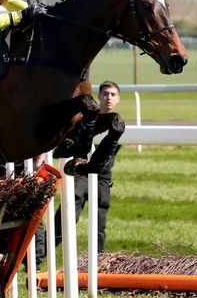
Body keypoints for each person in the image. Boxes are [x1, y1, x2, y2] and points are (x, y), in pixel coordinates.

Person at [37, 80, 123, 266]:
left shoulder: (117, 121)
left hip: (102, 178)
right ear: (98, 97)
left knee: (99, 223)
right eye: (105, 94)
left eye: (113, 95)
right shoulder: (87, 119)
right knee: (67, 217)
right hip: (80, 173)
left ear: (118, 99)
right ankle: (38, 258)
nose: (108, 98)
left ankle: (98, 263)